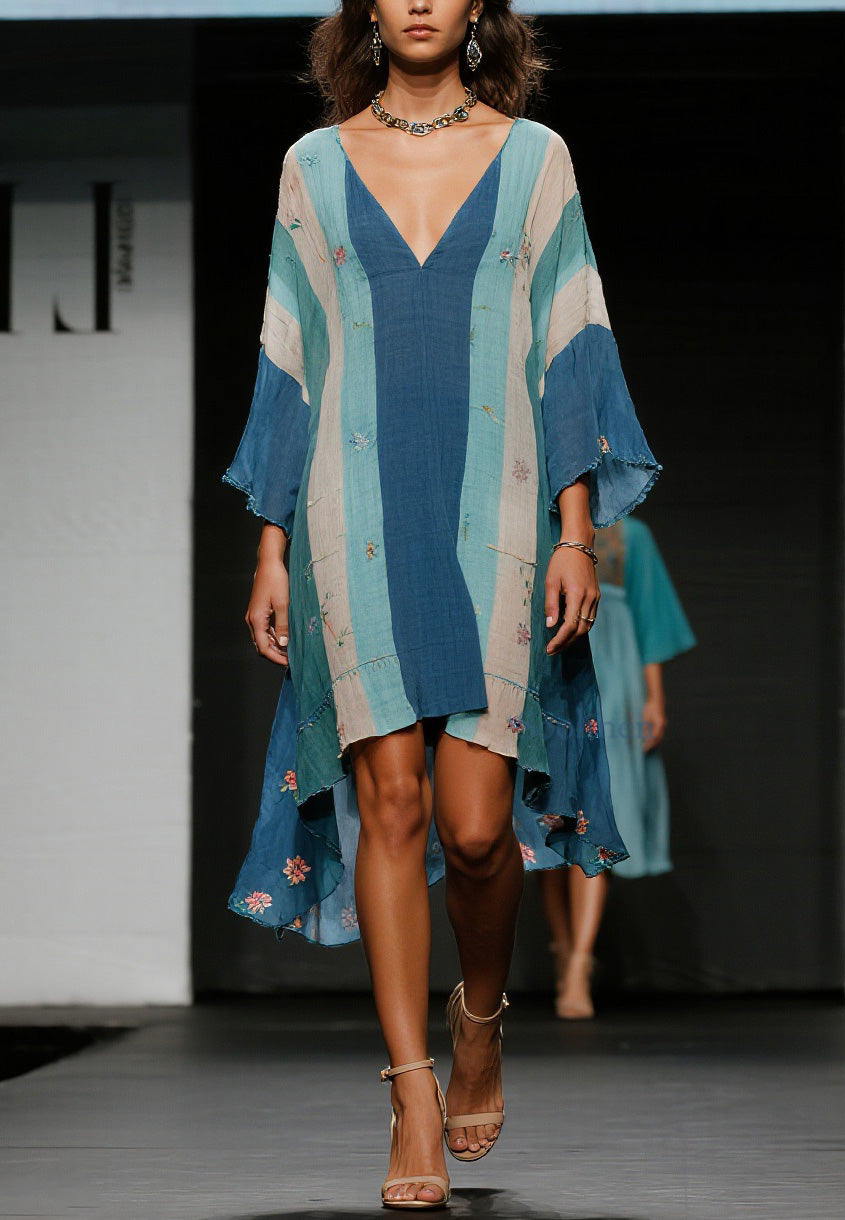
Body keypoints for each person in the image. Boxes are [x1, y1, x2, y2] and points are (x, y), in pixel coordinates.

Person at [220, 0, 660, 1208]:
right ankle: (410, 1088)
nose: (419, 0)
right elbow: (289, 355)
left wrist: (576, 530)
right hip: (346, 507)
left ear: (477, 10)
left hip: (499, 508)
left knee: (474, 828)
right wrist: (269, 547)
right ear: (367, 9)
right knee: (392, 801)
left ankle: (478, 1017)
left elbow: (570, 343)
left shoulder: (534, 157)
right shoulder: (313, 165)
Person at [538, 515, 696, 1019]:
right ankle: (564, 951)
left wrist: (654, 698)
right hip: (554, 675)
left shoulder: (631, 537)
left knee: (595, 817)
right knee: (548, 824)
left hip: (615, 684)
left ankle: (579, 964)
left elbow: (652, 620)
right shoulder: (542, 523)